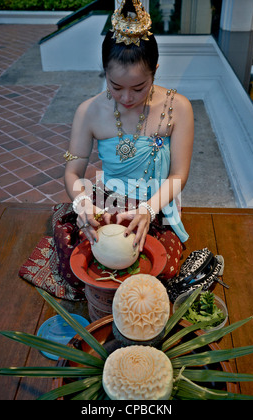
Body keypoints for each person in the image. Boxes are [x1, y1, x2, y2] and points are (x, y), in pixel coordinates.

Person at [64, 0, 194, 280]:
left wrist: (148, 209)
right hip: (108, 199)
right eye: (115, 86)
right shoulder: (88, 112)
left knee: (160, 268)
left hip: (156, 203)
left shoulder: (178, 108)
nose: (126, 98)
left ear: (155, 70)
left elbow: (178, 174)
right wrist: (82, 205)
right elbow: (73, 171)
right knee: (76, 254)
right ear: (105, 72)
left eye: (138, 87)